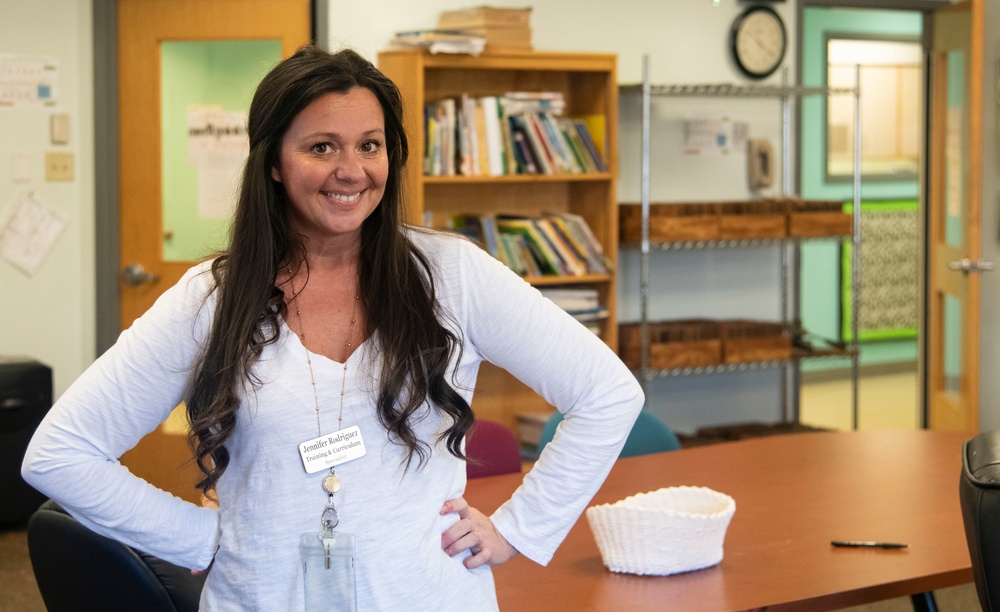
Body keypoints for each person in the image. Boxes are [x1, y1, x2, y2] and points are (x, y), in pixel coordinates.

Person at [22, 45, 643, 611]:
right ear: (272, 162)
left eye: (369, 145)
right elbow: (60, 454)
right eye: (322, 147)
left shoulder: (452, 275)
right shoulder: (212, 300)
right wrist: (199, 536)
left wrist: (518, 528)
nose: (352, 170)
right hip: (263, 597)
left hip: (430, 595)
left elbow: (608, 394)